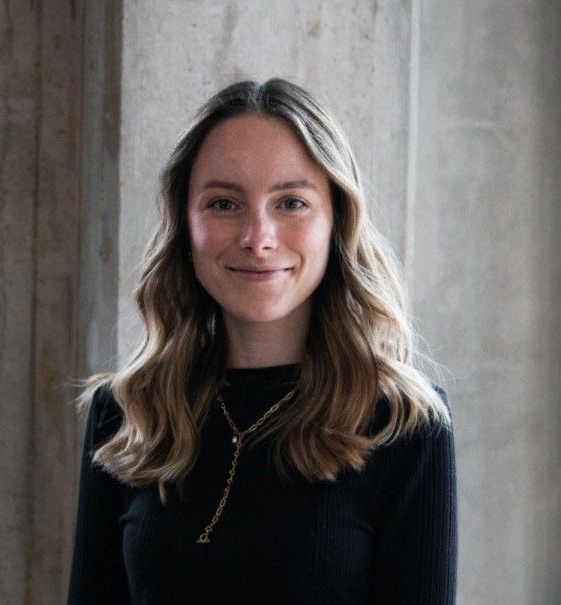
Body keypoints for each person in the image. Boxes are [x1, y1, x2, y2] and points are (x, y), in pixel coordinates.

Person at [67, 78, 457, 604]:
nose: (258, 237)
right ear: (185, 224)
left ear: (336, 221)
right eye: (224, 204)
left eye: (291, 203)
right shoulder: (126, 411)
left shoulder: (403, 422)